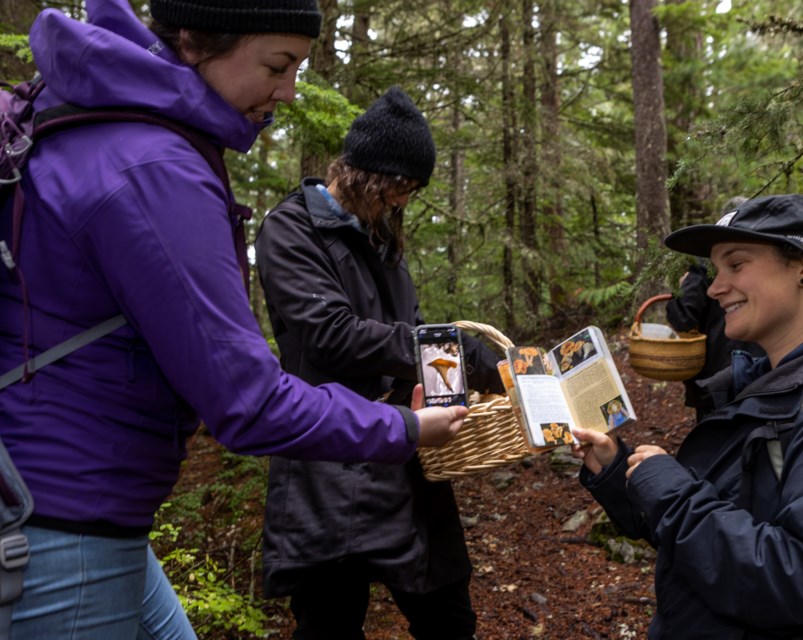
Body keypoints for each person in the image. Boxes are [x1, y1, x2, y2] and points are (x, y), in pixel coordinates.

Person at [0, 3, 468, 638]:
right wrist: (408, 427)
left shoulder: (106, 126)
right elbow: (247, 398)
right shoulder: (153, 167)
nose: (289, 91)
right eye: (278, 65)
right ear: (195, 38)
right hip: (63, 515)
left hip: (78, 500)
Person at [572, 194, 803, 639]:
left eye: (736, 265)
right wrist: (618, 471)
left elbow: (799, 579)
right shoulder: (762, 386)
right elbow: (704, 534)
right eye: (717, 270)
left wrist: (670, 490)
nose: (716, 287)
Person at [254, 86, 505, 640]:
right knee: (329, 623)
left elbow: (407, 333)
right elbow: (332, 335)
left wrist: (489, 376)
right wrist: (458, 352)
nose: (401, 202)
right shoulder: (291, 231)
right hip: (329, 459)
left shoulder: (384, 240)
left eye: (410, 192)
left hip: (405, 456)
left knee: (449, 618)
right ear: (367, 173)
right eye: (398, 187)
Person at [666, 197, 764, 421]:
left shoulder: (705, 265)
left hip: (719, 381)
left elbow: (682, 317)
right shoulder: (763, 263)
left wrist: (679, 290)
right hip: (763, 372)